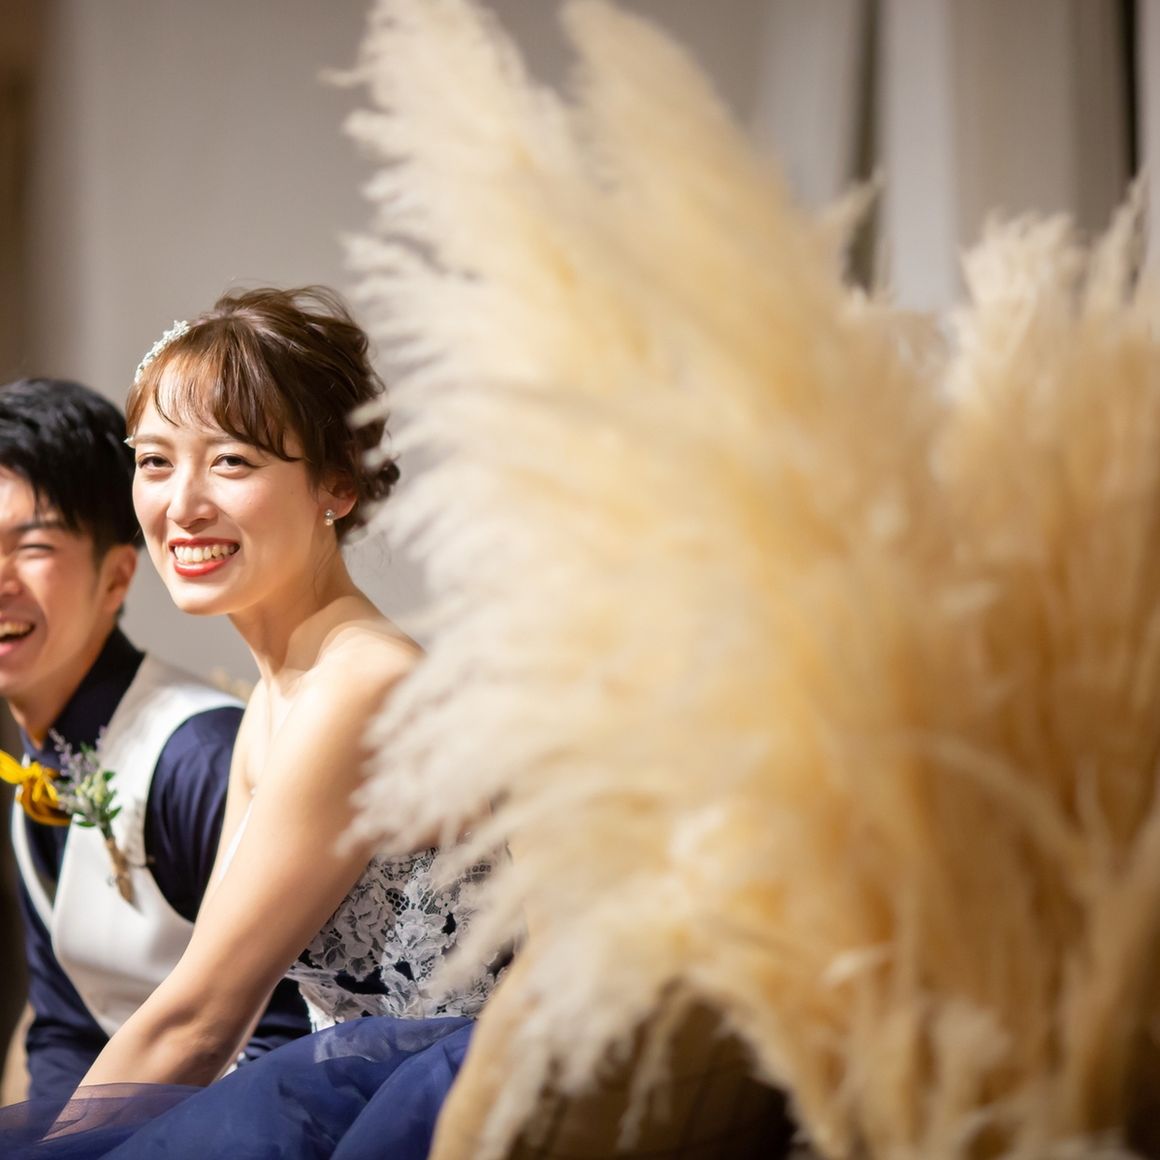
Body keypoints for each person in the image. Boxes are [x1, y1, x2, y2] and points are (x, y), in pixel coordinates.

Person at [0, 288, 501, 1157]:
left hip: (441, 1111)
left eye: (231, 461)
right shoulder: (277, 695)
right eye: (155, 462)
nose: (182, 504)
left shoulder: (362, 683)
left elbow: (203, 1016)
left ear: (335, 484)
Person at [0, 378, 311, 1103]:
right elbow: (66, 1027)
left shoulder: (197, 757)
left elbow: (292, 1026)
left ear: (116, 577)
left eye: (32, 546)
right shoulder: (36, 767)